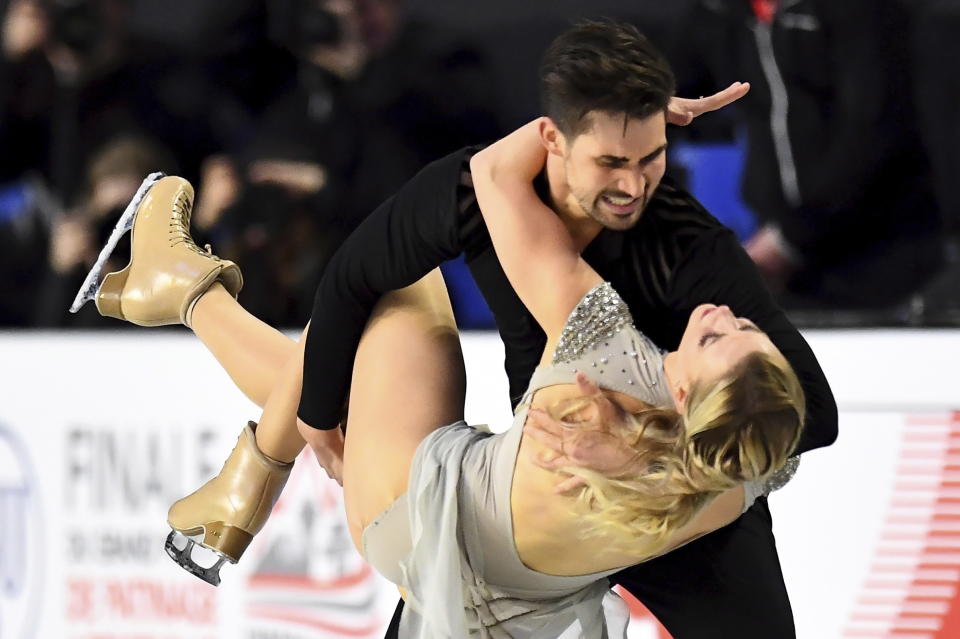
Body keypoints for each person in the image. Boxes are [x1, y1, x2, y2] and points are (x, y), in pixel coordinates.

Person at [76, 20, 837, 637]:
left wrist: (607, 118)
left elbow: (495, 177)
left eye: (714, 338)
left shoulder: (610, 356)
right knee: (367, 326)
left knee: (400, 287)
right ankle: (177, 302)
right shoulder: (739, 469)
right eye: (744, 323)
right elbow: (783, 429)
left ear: (684, 385)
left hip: (413, 507)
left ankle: (190, 306)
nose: (718, 312)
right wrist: (640, 121)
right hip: (490, 589)